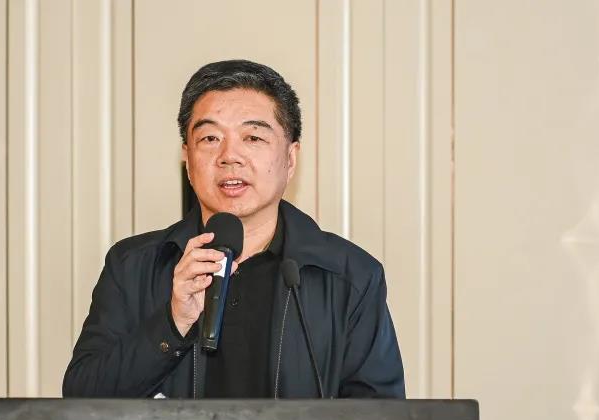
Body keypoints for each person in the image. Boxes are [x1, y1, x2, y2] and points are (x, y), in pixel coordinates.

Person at [62, 60, 404, 399]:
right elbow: (81, 400)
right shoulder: (133, 266)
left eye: (253, 137)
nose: (229, 156)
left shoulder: (350, 275)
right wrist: (173, 322)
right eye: (210, 138)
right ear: (187, 158)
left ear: (290, 158)